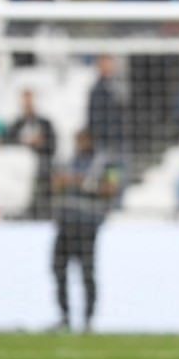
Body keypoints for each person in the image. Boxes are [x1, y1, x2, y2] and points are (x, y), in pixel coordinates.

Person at [51, 128, 121, 332]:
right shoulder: (68, 160)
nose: (78, 144)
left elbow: (112, 187)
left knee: (87, 273)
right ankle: (64, 317)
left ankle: (88, 320)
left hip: (88, 225)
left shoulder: (105, 162)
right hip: (65, 223)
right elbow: (56, 183)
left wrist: (83, 183)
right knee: (58, 270)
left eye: (82, 140)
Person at [6, 89, 57, 219]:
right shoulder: (15, 125)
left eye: (30, 99)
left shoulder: (45, 123)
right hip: (19, 167)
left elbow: (53, 145)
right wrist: (24, 143)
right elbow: (8, 144)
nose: (28, 103)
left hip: (42, 164)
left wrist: (40, 143)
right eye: (25, 100)